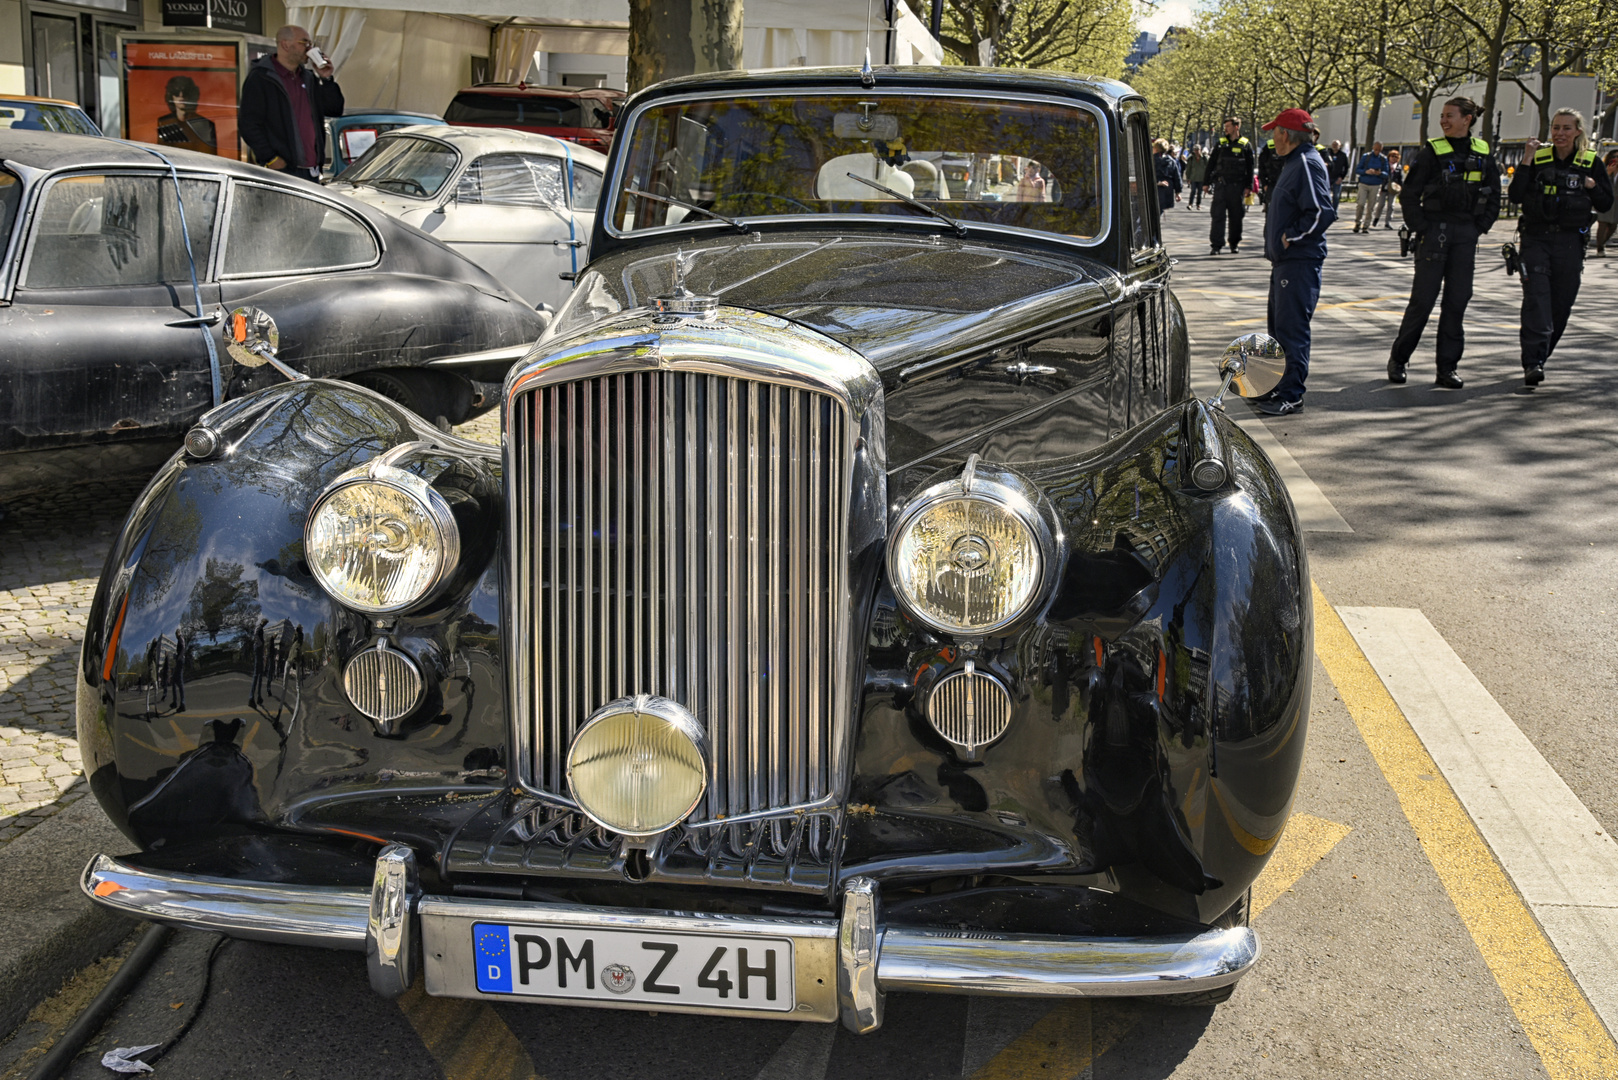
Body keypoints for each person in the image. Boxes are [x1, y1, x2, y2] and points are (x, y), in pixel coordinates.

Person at [1385, 96, 1501, 388]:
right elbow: (1409, 195)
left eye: (1450, 116)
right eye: (1442, 116)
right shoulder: (1431, 153)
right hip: (1434, 233)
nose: (1444, 121)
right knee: (1422, 302)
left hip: (1465, 235)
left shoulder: (1484, 152)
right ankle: (1399, 359)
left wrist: (1479, 228)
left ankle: (1446, 368)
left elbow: (1495, 197)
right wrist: (1421, 226)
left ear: (1467, 119)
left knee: (1457, 303)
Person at [1508, 108, 1613, 387]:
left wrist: (1591, 186)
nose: (1560, 133)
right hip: (1536, 239)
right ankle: (1532, 362)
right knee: (1537, 300)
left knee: (1561, 306)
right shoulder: (1538, 159)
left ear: (1578, 132)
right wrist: (1527, 160)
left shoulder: (1590, 162)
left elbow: (1605, 204)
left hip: (1570, 243)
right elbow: (1515, 195)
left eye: (1567, 128)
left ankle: (1540, 357)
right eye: (1556, 128)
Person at [1256, 108, 1336, 416]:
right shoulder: (1295, 161)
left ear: (1285, 134)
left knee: (1292, 330)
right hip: (1287, 262)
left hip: (1298, 261)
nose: (1272, 137)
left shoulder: (1305, 162)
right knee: (1279, 328)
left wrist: (1290, 237)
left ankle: (1291, 394)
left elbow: (1321, 212)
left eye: (1274, 131)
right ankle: (1279, 387)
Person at [239, 25, 344, 181]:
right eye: (304, 43)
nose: (309, 48)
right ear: (285, 44)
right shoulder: (262, 78)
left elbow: (334, 109)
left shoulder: (308, 77)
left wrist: (327, 79)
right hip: (283, 170)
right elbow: (249, 123)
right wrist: (271, 158)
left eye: (310, 44)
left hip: (312, 169)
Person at [1206, 116, 1255, 254]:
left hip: (1237, 187)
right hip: (1221, 186)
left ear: (1236, 127)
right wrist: (1206, 182)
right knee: (1217, 216)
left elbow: (1250, 168)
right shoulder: (1221, 144)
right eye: (1225, 127)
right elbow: (1211, 164)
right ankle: (1216, 245)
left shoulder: (1245, 144)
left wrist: (1249, 186)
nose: (1225, 129)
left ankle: (1234, 243)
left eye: (1228, 126)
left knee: (1236, 217)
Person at [156, 76, 217, 154]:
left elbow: (209, 157)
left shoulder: (206, 125)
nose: (181, 95)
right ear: (171, 95)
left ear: (192, 94)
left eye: (186, 91)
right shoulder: (164, 122)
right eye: (176, 92)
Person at [1353, 141, 1388, 232]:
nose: (1377, 151)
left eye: (1379, 150)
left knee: (1371, 206)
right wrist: (1366, 171)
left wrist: (1379, 173)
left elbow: (1386, 173)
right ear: (1373, 148)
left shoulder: (1383, 159)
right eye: (1376, 149)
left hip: (1376, 184)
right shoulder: (1366, 157)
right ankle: (1357, 222)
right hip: (1364, 183)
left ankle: (1366, 225)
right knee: (1361, 203)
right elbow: (1357, 169)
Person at [1594, 150, 1618, 255]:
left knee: (1613, 226)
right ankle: (1600, 249)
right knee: (1602, 224)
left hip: (1616, 203)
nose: (1616, 159)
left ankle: (1602, 243)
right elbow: (1598, 183)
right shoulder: (1604, 168)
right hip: (1605, 200)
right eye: (1614, 156)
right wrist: (1608, 173)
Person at [1373, 148, 1403, 228]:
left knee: (1391, 206)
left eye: (1396, 157)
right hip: (1384, 187)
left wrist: (1401, 187)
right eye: (1392, 156)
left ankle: (1387, 222)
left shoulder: (1399, 167)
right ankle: (1376, 218)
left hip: (1393, 189)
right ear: (1389, 157)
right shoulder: (1385, 165)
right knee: (1381, 204)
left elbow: (1400, 179)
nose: (1394, 158)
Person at [1153, 138, 1182, 211]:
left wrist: (1158, 182)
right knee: (1160, 211)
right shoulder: (1171, 161)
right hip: (1167, 189)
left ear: (1156, 149)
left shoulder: (1151, 160)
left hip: (1154, 190)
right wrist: (1178, 192)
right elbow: (1177, 177)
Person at [1257, 135, 1283, 208]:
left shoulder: (1292, 145)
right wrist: (1264, 184)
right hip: (1271, 184)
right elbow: (1261, 166)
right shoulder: (1269, 146)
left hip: (1287, 184)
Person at [1326, 139, 1350, 208]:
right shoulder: (1327, 154)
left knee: (1336, 196)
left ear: (1340, 146)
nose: (1334, 146)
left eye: (1336, 144)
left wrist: (1341, 177)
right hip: (1328, 177)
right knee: (1326, 195)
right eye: (1333, 144)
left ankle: (1334, 212)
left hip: (1337, 178)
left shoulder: (1343, 155)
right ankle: (1327, 210)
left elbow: (1346, 167)